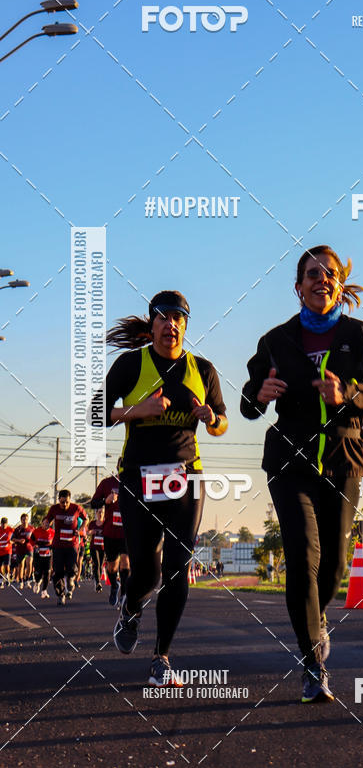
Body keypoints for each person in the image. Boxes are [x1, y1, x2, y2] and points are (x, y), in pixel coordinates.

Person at [241, 246, 363, 703]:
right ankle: (312, 663)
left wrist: (350, 394)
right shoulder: (276, 340)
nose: (321, 279)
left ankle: (318, 622)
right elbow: (246, 403)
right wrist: (260, 392)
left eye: (329, 273)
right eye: (312, 273)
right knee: (302, 556)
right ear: (298, 287)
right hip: (288, 461)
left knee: (332, 563)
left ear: (338, 282)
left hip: (343, 458)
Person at [102, 289, 228, 686]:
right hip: (138, 477)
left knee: (177, 568)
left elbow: (222, 422)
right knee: (146, 571)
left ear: (186, 326)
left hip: (185, 476)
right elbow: (94, 413)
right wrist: (137, 410)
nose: (171, 325)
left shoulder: (203, 369)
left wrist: (212, 419)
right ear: (152, 322)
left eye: (179, 319)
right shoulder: (129, 364)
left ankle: (162, 658)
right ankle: (131, 608)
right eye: (164, 317)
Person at [91, 472, 130, 607]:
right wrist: (105, 501)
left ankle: (124, 594)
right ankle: (114, 586)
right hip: (110, 533)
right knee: (112, 567)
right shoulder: (107, 483)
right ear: (119, 467)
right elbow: (93, 503)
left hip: (127, 533)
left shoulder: (137, 482)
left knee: (126, 562)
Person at [44, 490, 88, 605]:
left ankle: (71, 580)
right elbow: (47, 520)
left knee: (71, 569)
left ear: (70, 500)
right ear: (59, 500)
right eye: (62, 502)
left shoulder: (76, 508)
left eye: (67, 502)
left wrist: (80, 530)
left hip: (72, 544)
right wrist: (46, 523)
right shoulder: (54, 509)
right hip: (58, 545)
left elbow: (86, 519)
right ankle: (61, 595)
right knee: (58, 571)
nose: (64, 505)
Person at [31, 519, 54, 598]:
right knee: (38, 572)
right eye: (44, 523)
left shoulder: (53, 532)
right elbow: (31, 540)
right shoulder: (36, 531)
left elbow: (55, 543)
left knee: (47, 573)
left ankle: (44, 591)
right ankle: (37, 582)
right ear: (42, 523)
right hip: (38, 555)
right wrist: (34, 545)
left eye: (48, 523)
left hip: (47, 555)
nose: (46, 525)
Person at [11, 513, 34, 589]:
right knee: (21, 566)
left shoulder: (32, 528)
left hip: (29, 549)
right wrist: (19, 540)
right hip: (20, 549)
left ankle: (27, 580)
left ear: (28, 520)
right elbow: (12, 539)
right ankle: (21, 581)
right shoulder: (17, 529)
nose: (25, 521)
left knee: (29, 563)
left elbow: (36, 538)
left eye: (26, 519)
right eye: (23, 520)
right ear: (21, 520)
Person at [87, 508, 105, 592]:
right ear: (96, 513)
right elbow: (87, 532)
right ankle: (98, 582)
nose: (100, 514)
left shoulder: (106, 524)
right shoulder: (92, 523)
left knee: (100, 565)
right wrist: (91, 532)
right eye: (99, 512)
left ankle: (98, 580)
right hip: (94, 547)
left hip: (103, 548)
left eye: (102, 512)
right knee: (97, 563)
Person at [0, 517, 13, 586]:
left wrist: (12, 541)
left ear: (7, 524)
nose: (3, 525)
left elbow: (14, 538)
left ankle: (7, 576)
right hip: (0, 551)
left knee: (6, 565)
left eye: (5, 524)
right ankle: (1, 579)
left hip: (7, 551)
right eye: (2, 524)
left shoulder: (10, 530)